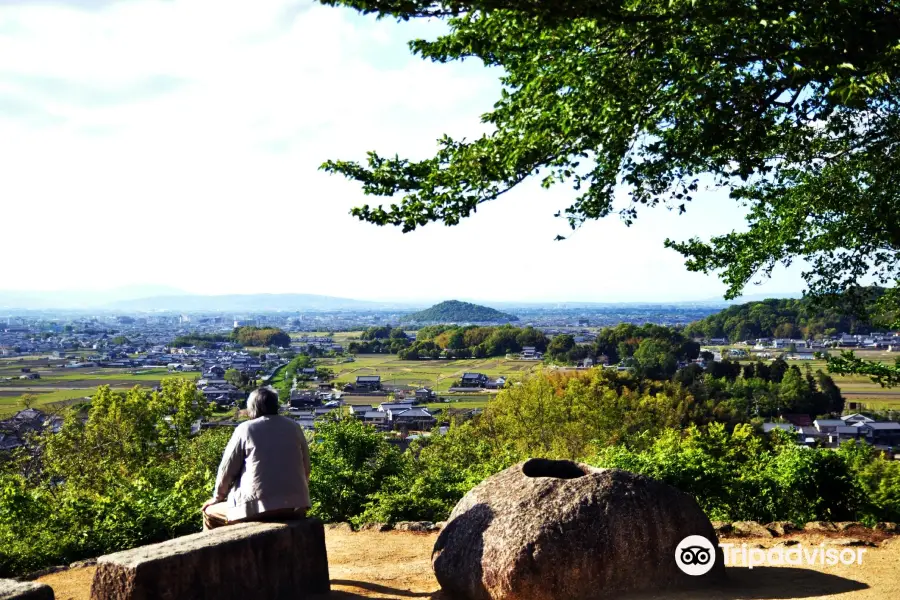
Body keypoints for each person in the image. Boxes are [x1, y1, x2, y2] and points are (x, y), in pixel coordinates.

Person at [201, 386, 311, 530]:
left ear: (253, 408)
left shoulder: (245, 429)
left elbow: (227, 470)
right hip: (295, 507)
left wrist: (217, 498)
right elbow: (306, 468)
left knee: (209, 513)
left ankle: (216, 551)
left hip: (256, 508)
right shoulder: (294, 427)